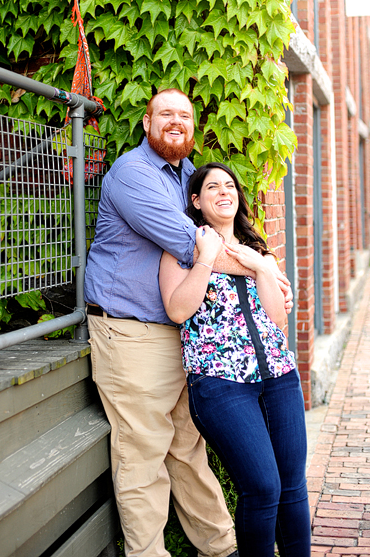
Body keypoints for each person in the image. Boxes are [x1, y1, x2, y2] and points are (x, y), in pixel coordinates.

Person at [82, 89, 293, 557]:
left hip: (182, 336)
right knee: (143, 454)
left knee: (188, 449)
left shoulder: (185, 180)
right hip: (131, 331)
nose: (176, 122)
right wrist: (267, 272)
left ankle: (220, 549)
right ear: (146, 121)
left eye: (185, 115)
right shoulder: (132, 174)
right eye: (166, 114)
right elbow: (194, 245)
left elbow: (216, 240)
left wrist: (266, 276)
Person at [159, 163, 310, 557]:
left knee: (292, 487)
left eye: (230, 185)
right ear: (196, 200)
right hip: (220, 384)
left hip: (278, 376)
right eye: (213, 187)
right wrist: (206, 259)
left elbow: (277, 318)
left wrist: (263, 265)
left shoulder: (257, 248)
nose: (224, 191)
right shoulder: (183, 248)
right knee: (262, 486)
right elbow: (177, 309)